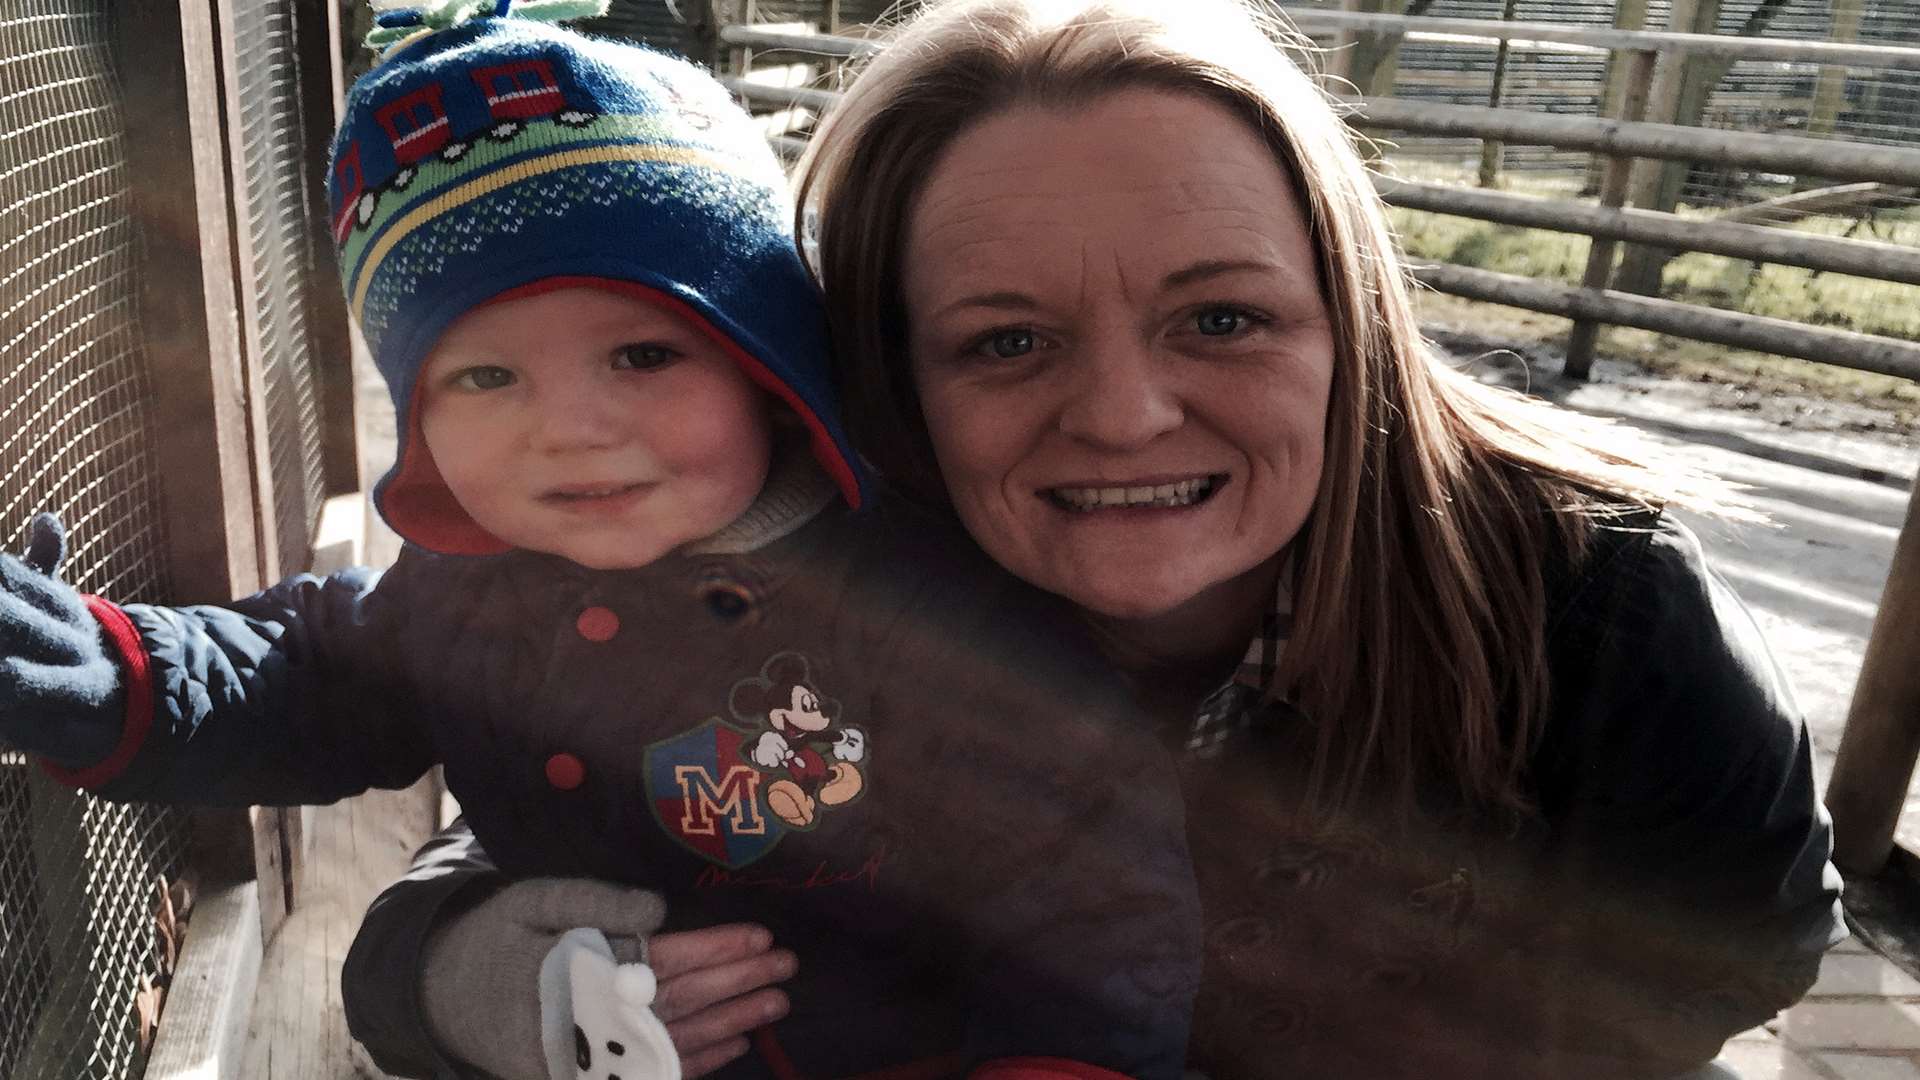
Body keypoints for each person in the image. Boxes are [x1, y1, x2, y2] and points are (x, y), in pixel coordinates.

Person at [342, 0, 1845, 1077]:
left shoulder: (1599, 615)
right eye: (1006, 342)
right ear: (872, 378)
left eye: (1223, 318)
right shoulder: (833, 585)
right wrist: (446, 974)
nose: (1124, 416)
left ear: (1352, 331)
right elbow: (597, 803)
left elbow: (1732, 958)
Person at [0, 9, 1202, 1080]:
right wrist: (100, 673)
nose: (568, 431)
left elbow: (1087, 901)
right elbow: (303, 674)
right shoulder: (470, 592)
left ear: (766, 363)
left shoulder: (929, 607)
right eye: (482, 374)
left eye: (643, 355)